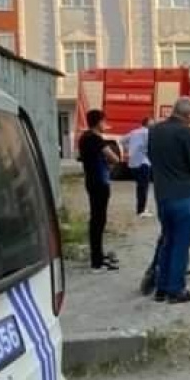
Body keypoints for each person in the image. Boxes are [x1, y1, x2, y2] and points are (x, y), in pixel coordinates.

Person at [147, 97, 190, 304]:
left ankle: (161, 288)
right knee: (181, 244)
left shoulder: (155, 130)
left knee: (167, 241)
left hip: (162, 195)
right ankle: (176, 289)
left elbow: (152, 157)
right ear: (188, 115)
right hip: (183, 195)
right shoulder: (186, 133)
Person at [78, 109, 120, 273]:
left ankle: (99, 256)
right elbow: (114, 159)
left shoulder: (84, 138)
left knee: (96, 220)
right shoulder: (95, 139)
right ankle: (97, 262)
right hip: (100, 183)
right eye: (104, 121)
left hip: (91, 181)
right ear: (98, 122)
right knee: (98, 221)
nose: (106, 125)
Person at [123, 117, 153, 218]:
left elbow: (122, 140)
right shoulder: (149, 133)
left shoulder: (134, 132)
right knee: (143, 187)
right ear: (148, 124)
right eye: (152, 123)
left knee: (140, 186)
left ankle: (141, 208)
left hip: (133, 163)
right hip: (144, 162)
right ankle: (141, 210)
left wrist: (128, 150)